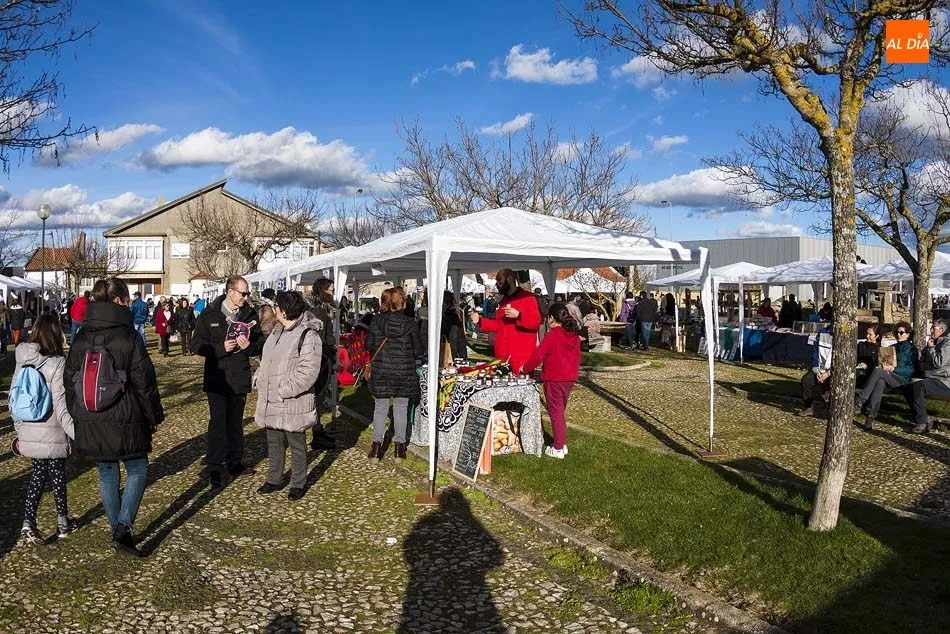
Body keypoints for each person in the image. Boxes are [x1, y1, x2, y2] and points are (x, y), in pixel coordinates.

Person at [65, 278, 164, 557]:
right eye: (128, 299)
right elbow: (144, 382)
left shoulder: (81, 336)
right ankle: (123, 528)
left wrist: (77, 414)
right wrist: (154, 415)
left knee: (107, 473)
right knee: (138, 469)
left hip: (90, 416)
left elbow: (68, 379)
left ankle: (117, 530)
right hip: (126, 415)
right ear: (120, 301)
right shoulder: (129, 336)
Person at [190, 275, 264, 488]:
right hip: (217, 377)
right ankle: (214, 465)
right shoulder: (210, 314)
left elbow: (260, 343)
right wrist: (220, 348)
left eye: (247, 293)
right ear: (230, 292)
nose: (246, 297)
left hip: (239, 375)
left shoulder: (250, 315)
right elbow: (196, 344)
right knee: (218, 422)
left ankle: (235, 462)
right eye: (243, 293)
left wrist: (249, 346)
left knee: (235, 423)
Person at [254, 291, 323, 501]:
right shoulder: (276, 332)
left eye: (277, 306)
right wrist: (259, 378)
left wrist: (285, 389)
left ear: (284, 310)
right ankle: (274, 478)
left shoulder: (308, 335)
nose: (274, 309)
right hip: (271, 399)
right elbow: (266, 361)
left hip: (292, 400)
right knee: (274, 442)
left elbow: (309, 371)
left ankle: (298, 482)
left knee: (297, 444)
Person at [13, 314, 76, 544]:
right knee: (57, 475)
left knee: (38, 474)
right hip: (52, 428)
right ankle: (62, 522)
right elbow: (60, 405)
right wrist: (77, 434)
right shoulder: (57, 363)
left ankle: (28, 520)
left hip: (29, 426)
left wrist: (19, 429)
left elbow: (13, 397)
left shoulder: (21, 359)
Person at [366, 287, 423, 463]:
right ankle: (399, 449)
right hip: (403, 371)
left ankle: (376, 449)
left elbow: (369, 345)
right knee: (400, 408)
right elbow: (418, 350)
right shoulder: (410, 323)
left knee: (380, 407)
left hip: (381, 370)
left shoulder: (376, 321)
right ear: (403, 303)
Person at [522, 303, 582, 459]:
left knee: (556, 414)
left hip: (554, 378)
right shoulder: (574, 336)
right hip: (569, 378)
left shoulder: (553, 335)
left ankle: (558, 447)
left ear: (551, 318)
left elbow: (538, 355)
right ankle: (561, 443)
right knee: (560, 411)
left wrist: (525, 368)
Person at [471, 268, 542, 373]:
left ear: (509, 279)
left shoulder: (527, 298)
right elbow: (498, 324)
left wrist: (519, 315)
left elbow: (535, 322)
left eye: (499, 282)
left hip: (520, 359)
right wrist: (480, 321)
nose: (497, 285)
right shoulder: (504, 301)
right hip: (503, 358)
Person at [855, 323, 916, 430]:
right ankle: (870, 416)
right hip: (889, 376)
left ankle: (860, 401)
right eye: (896, 332)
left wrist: (894, 369)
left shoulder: (911, 349)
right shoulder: (892, 347)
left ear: (908, 334)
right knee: (880, 382)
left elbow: (911, 369)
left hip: (902, 379)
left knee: (878, 371)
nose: (898, 334)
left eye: (901, 333)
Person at [307, 277, 340, 451]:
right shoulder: (319, 311)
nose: (333, 292)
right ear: (323, 290)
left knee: (319, 397)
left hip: (323, 358)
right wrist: (331, 349)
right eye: (331, 289)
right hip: (320, 361)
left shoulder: (322, 309)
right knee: (317, 397)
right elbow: (319, 340)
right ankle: (317, 433)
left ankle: (318, 430)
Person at [909, 319, 950, 434]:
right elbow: (924, 363)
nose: (930, 330)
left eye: (933, 328)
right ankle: (925, 417)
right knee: (909, 386)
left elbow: (938, 363)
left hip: (944, 382)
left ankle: (922, 422)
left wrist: (931, 348)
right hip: (932, 379)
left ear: (941, 330)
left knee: (918, 386)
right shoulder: (936, 341)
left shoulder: (947, 343)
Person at [801, 327, 832, 417]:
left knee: (830, 384)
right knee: (806, 380)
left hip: (832, 371)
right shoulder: (822, 332)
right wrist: (817, 371)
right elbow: (815, 351)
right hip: (820, 369)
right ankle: (808, 407)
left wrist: (828, 373)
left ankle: (829, 405)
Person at [441, 290, 468, 362]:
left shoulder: (452, 317)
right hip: (451, 353)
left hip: (451, 355)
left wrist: (455, 358)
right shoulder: (449, 315)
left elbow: (454, 339)